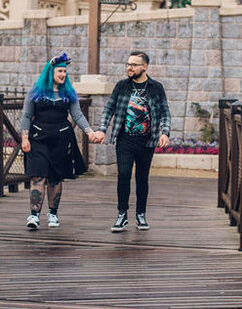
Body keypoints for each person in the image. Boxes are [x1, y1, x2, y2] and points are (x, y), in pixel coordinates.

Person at [90, 50, 171, 232]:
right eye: (128, 64)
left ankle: (141, 214)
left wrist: (164, 133)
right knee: (124, 175)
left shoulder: (156, 88)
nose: (130, 68)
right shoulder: (122, 86)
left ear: (144, 67)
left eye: (134, 65)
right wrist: (102, 129)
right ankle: (122, 214)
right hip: (125, 139)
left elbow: (165, 112)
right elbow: (109, 109)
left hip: (147, 141)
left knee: (142, 178)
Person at [20, 53, 96, 230]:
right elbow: (26, 115)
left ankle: (53, 214)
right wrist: (24, 138)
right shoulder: (35, 92)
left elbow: (77, 115)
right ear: (50, 71)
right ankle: (34, 215)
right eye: (60, 71)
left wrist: (89, 132)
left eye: (65, 71)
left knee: (55, 178)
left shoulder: (68, 93)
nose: (63, 74)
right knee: (38, 175)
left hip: (61, 139)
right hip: (38, 139)